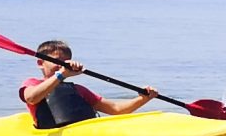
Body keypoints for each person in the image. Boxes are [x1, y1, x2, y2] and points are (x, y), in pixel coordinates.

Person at [19, 40, 152, 128]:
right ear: (40, 63)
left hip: (83, 133)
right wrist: (61, 74)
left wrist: (143, 98)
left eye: (66, 61)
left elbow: (116, 109)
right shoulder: (33, 83)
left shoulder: (78, 90)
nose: (63, 64)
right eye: (57, 61)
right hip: (50, 133)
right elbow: (31, 98)